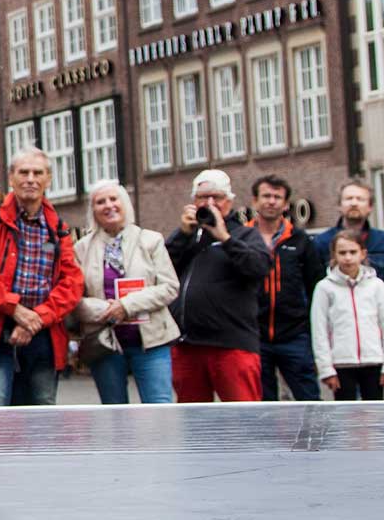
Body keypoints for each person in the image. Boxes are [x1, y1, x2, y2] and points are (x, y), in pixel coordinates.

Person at [0, 149, 84, 407]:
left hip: (44, 335)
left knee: (43, 413)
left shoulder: (58, 228)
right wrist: (15, 309)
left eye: (38, 173)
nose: (30, 179)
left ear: (48, 178)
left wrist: (36, 319)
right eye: (23, 172)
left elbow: (72, 283)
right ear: (11, 178)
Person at [166, 169, 271, 403]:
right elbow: (161, 268)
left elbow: (259, 268)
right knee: (192, 419)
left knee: (242, 417)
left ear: (229, 202)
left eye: (217, 197)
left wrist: (225, 238)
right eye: (203, 197)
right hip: (187, 345)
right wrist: (182, 234)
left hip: (232, 345)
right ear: (193, 202)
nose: (210, 203)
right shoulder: (188, 237)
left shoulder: (245, 235)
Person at [72, 181, 179, 404]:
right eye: (100, 202)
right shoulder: (81, 248)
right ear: (93, 210)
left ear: (125, 204)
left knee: (159, 408)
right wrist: (106, 310)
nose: (108, 205)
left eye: (113, 199)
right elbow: (73, 298)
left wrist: (126, 306)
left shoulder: (151, 240)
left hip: (151, 342)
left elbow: (169, 287)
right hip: (104, 344)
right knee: (115, 412)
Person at [248, 175, 324, 402]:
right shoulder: (242, 238)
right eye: (266, 196)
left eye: (277, 197)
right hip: (255, 334)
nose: (271, 201)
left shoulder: (300, 240)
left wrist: (309, 328)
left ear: (286, 204)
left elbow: (315, 286)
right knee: (262, 404)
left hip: (294, 334)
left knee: (309, 400)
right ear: (255, 201)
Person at [311, 231, 384, 400]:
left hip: (373, 360)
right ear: (334, 255)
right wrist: (326, 369)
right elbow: (319, 330)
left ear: (363, 254)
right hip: (341, 363)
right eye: (342, 253)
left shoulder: (376, 286)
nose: (348, 258)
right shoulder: (325, 288)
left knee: (374, 411)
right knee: (345, 412)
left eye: (353, 252)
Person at [312, 180, 384, 294]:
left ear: (370, 207)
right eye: (349, 198)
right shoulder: (321, 242)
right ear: (339, 205)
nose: (354, 203)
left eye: (360, 199)